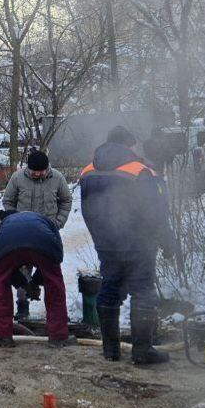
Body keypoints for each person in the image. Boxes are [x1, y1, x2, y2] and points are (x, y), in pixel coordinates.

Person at [80, 125, 177, 366]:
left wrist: (99, 238)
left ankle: (111, 350)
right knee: (143, 292)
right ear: (128, 145)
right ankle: (142, 351)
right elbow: (155, 212)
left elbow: (86, 209)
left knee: (110, 290)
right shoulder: (140, 171)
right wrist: (167, 241)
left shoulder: (88, 172)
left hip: (106, 244)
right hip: (138, 243)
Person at [1, 150, 73, 320]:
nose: (36, 174)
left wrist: (58, 222)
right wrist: (15, 221)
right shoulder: (17, 178)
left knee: (50, 272)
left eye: (40, 171)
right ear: (28, 168)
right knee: (22, 272)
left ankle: (55, 312)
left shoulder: (57, 178)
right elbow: (8, 201)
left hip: (48, 234)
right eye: (33, 171)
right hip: (22, 234)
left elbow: (66, 201)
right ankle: (22, 309)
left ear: (46, 169)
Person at [0, 211, 74, 348]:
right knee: (54, 285)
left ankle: (3, 337)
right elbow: (55, 257)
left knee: (0, 286)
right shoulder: (47, 222)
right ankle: (58, 337)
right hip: (43, 241)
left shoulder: (4, 225)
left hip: (6, 242)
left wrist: (30, 283)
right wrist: (36, 281)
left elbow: (2, 265)